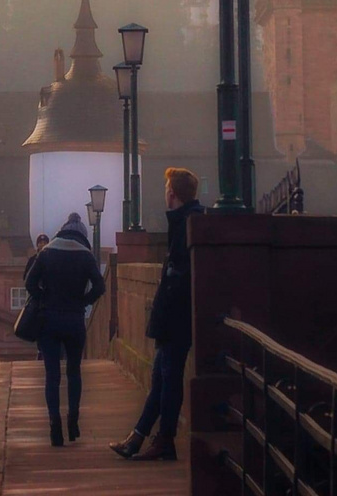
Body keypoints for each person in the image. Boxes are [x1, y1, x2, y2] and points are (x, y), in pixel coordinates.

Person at [109, 167, 203, 462]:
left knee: (168, 380)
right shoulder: (188, 221)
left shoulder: (188, 223)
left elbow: (179, 277)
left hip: (175, 319)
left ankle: (162, 440)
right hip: (173, 318)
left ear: (172, 194)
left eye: (166, 189)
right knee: (161, 380)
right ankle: (138, 438)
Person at [25, 211, 105, 447]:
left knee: (52, 375)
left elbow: (30, 283)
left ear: (62, 230)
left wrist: (43, 299)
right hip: (74, 321)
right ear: (82, 236)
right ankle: (73, 419)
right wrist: (83, 301)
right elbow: (100, 287)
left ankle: (54, 425)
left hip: (48, 320)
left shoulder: (47, 252)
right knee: (74, 372)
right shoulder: (86, 256)